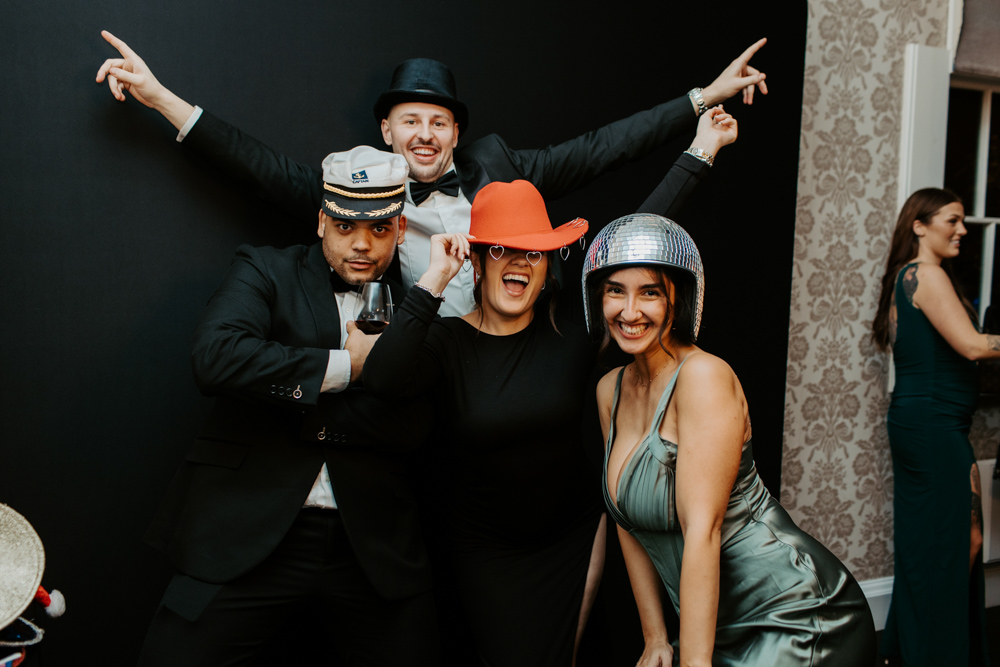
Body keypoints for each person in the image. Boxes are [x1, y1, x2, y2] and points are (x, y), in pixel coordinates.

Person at [359, 107, 739, 667]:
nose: (518, 261)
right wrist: (435, 279)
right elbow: (382, 381)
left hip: (572, 537)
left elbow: (638, 233)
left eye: (533, 251)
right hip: (484, 552)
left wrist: (703, 148)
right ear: (480, 259)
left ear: (548, 262)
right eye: (502, 249)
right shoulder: (446, 341)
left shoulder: (571, 325)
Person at [95, 30, 769, 315]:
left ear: (457, 133)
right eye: (411, 121)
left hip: (516, 346)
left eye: (440, 122)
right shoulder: (357, 191)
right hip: (418, 366)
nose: (426, 134)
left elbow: (601, 147)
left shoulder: (501, 165)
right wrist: (161, 99)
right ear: (387, 131)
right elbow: (258, 167)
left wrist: (702, 98)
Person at [137, 147, 439, 666]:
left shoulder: (419, 302)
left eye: (379, 230)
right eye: (345, 227)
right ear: (322, 221)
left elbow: (415, 424)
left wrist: (290, 400)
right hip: (247, 532)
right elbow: (216, 359)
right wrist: (349, 367)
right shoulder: (265, 269)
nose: (362, 244)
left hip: (370, 544)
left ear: (401, 229)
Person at [585, 215, 877, 666]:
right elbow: (626, 521)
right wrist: (656, 636)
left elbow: (704, 530)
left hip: (790, 613)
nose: (629, 312)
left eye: (650, 292)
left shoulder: (703, 377)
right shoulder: (611, 390)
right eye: (615, 290)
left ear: (677, 297)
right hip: (707, 620)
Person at [871, 188, 994, 666]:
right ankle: (935, 653)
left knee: (933, 542)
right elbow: (972, 346)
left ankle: (907, 650)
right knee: (959, 541)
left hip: (925, 422)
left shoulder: (909, 276)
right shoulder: (926, 274)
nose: (962, 229)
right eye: (953, 220)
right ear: (920, 226)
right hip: (933, 425)